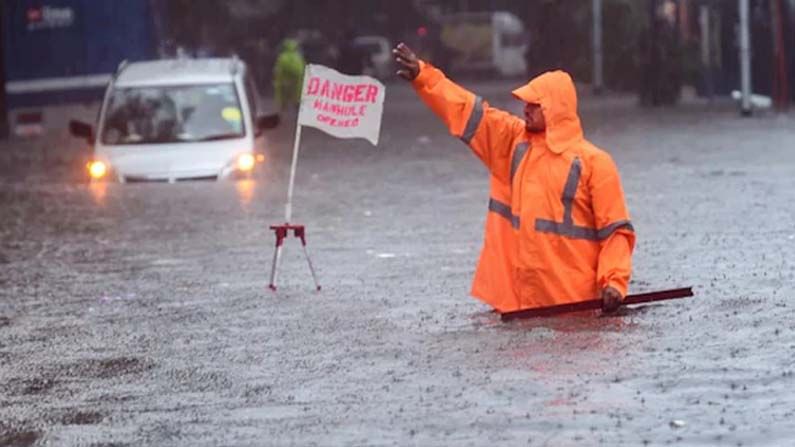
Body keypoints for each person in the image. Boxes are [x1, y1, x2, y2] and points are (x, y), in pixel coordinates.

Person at [393, 43, 635, 313]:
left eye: (535, 104)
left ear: (555, 109)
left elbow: (616, 231)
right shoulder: (512, 142)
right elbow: (467, 111)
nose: (526, 109)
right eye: (527, 104)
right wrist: (424, 77)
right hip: (517, 307)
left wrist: (613, 282)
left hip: (574, 308)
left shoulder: (595, 163)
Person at [273, 39, 306, 112]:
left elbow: (278, 71)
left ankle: (283, 112)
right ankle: (296, 110)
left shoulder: (282, 57)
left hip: (284, 83)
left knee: (283, 101)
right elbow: (302, 70)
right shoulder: (298, 57)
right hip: (296, 84)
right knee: (296, 100)